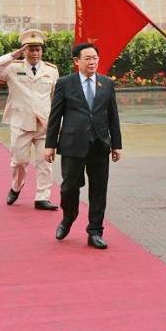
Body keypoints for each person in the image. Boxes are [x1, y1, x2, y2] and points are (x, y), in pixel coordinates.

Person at [44, 43, 122, 250]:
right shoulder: (65, 83)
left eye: (95, 58)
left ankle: (95, 231)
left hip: (99, 144)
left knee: (99, 189)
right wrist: (50, 145)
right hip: (72, 144)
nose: (92, 62)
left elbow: (113, 115)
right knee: (69, 187)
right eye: (87, 58)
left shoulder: (106, 83)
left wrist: (117, 144)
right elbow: (55, 116)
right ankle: (69, 217)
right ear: (77, 61)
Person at [0, 29, 59, 210]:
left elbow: (55, 98)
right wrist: (13, 55)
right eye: (30, 49)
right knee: (19, 161)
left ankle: (42, 197)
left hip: (44, 123)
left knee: (45, 162)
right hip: (21, 123)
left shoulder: (51, 71)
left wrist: (58, 124)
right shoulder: (13, 68)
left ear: (42, 51)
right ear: (24, 51)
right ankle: (16, 186)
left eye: (37, 50)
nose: (34, 53)